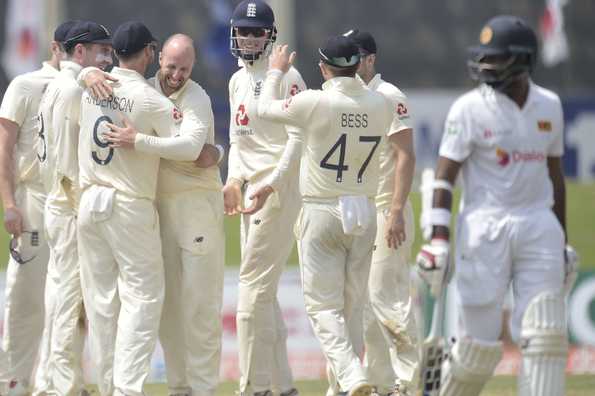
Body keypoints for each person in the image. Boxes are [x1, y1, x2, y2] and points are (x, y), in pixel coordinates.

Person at [415, 15, 573, 396]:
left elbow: (556, 178)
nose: (487, 67)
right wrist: (438, 238)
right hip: (484, 227)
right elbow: (444, 175)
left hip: (539, 225)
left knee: (545, 336)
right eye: (484, 58)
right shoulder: (468, 108)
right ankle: (438, 389)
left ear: (523, 61)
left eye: (497, 59)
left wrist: (562, 241)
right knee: (478, 350)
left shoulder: (549, 106)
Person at [257, 36, 408, 396]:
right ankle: (341, 387)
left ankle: (351, 375)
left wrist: (275, 73)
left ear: (324, 68)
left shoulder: (315, 101)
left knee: (324, 307)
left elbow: (265, 109)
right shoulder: (382, 103)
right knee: (352, 307)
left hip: (322, 209)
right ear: (358, 65)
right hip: (364, 209)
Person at [83, 33, 225, 396]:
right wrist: (86, 75)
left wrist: (140, 141)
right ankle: (179, 388)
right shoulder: (144, 91)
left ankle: (204, 389)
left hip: (196, 208)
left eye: (185, 68)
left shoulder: (197, 97)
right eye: (171, 66)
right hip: (155, 207)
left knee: (200, 308)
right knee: (167, 309)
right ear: (156, 56)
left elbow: (193, 149)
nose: (177, 75)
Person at [223, 1, 305, 395]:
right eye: (243, 30)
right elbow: (238, 141)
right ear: (234, 33)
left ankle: (251, 387)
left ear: (270, 35)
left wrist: (272, 183)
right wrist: (232, 180)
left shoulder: (289, 78)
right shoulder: (237, 80)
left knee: (251, 293)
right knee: (265, 295)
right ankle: (282, 386)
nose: (250, 38)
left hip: (278, 190)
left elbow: (298, 140)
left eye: (257, 32)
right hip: (249, 193)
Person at [37, 20, 113, 396]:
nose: (107, 57)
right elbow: (72, 165)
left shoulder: (59, 85)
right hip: (68, 203)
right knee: (69, 300)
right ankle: (63, 387)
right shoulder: (71, 89)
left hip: (58, 201)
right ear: (79, 52)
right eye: (100, 50)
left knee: (65, 297)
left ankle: (55, 381)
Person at [0, 20, 74, 396]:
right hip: (33, 198)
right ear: (58, 48)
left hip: (70, 200)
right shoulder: (26, 84)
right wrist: (10, 203)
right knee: (26, 296)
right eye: (79, 48)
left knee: (66, 300)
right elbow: (5, 149)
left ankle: (53, 385)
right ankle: (12, 383)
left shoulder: (82, 88)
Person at [344, 29, 418, 396]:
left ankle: (407, 381)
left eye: (356, 56)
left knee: (388, 298)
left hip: (389, 210)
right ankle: (378, 383)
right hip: (362, 211)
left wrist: (397, 211)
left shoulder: (389, 97)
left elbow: (406, 156)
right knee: (364, 305)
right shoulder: (350, 98)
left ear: (371, 59)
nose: (351, 63)